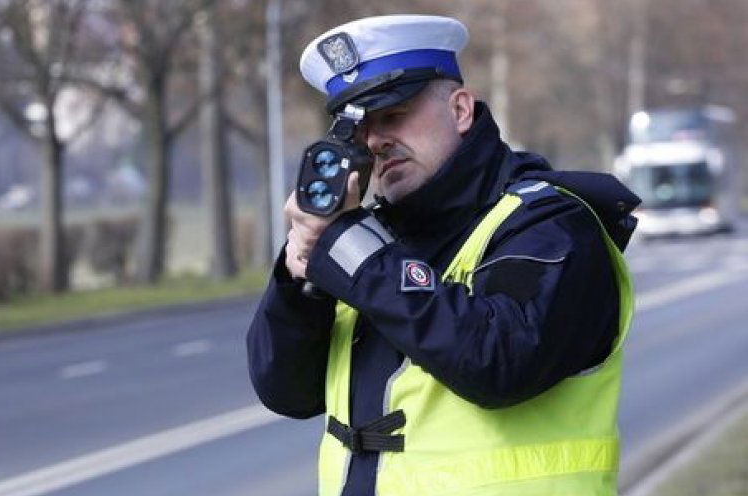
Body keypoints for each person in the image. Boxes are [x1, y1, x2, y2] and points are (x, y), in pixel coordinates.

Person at [246, 14, 640, 496]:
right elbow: (286, 392)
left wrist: (350, 247)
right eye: (360, 128)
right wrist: (302, 273)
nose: (375, 140)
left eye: (393, 114)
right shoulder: (368, 245)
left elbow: (498, 363)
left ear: (459, 110)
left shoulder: (551, 225)